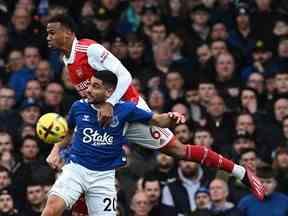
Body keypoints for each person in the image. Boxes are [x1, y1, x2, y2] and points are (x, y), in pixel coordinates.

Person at [46, 14, 265, 201]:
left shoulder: (90, 49)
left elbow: (124, 75)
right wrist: (57, 148)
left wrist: (111, 104)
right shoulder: (66, 59)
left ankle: (241, 173)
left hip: (127, 108)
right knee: (87, 163)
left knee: (178, 150)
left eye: (52, 32)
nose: (48, 38)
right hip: (106, 119)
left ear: (67, 32)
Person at [42, 71, 186, 216]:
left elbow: (158, 120)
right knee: (52, 209)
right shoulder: (78, 106)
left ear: (109, 91)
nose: (89, 90)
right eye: (90, 84)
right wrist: (55, 150)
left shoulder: (125, 109)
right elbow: (67, 132)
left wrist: (172, 117)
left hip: (104, 177)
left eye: (96, 86)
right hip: (76, 169)